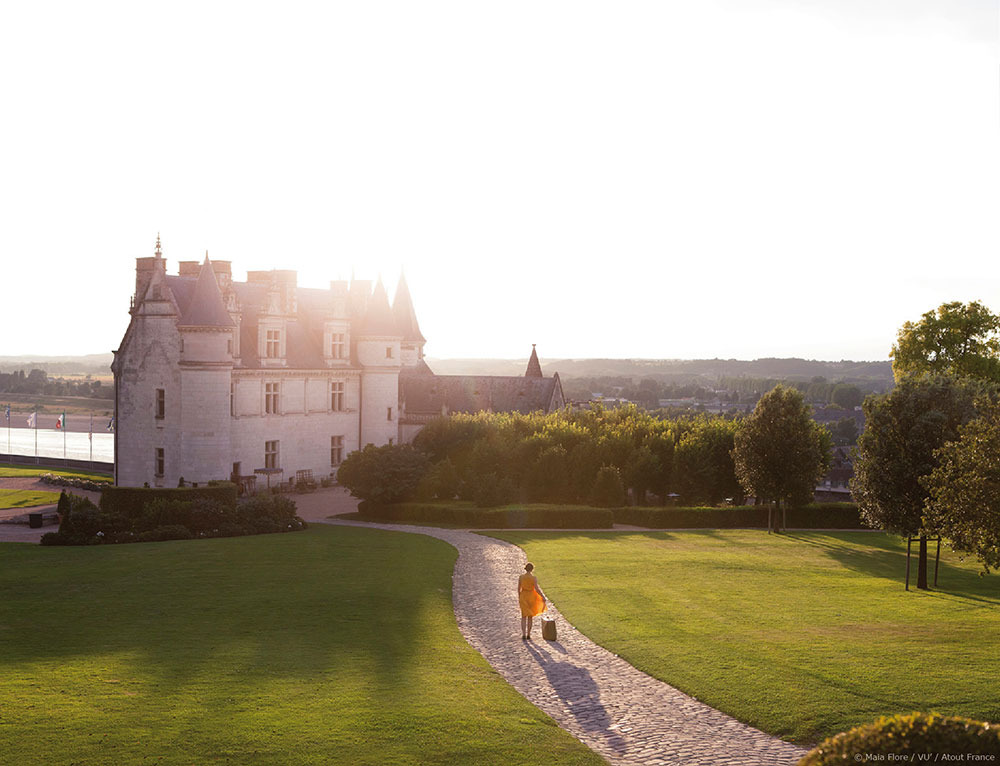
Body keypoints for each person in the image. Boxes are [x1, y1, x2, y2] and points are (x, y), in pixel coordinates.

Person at [518, 562, 546, 640]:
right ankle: (528, 634)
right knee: (530, 617)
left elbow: (518, 589)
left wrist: (519, 597)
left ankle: (523, 634)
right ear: (532, 569)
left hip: (523, 596)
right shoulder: (533, 578)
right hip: (531, 596)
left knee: (523, 616)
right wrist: (542, 596)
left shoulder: (521, 577)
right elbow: (537, 589)